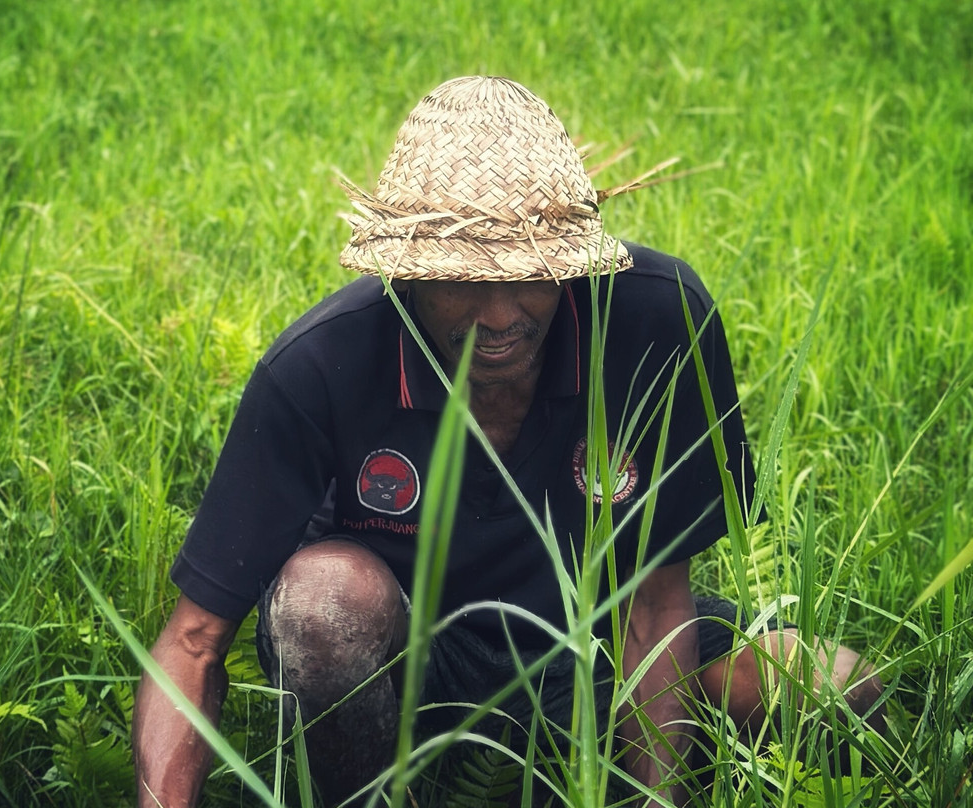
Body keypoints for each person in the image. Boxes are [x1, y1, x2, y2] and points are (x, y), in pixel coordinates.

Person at [133, 76, 883, 807]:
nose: (498, 317)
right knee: (324, 604)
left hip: (595, 644)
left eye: (529, 277)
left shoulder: (657, 321)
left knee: (840, 690)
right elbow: (195, 641)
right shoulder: (321, 363)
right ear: (405, 274)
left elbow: (657, 602)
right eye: (462, 282)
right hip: (412, 665)